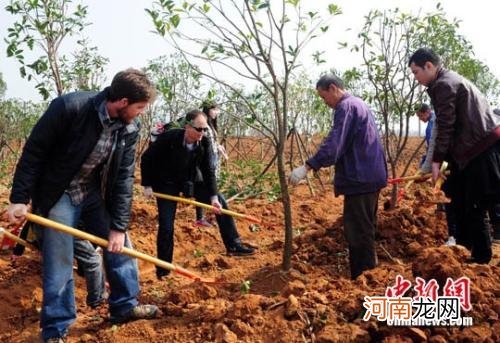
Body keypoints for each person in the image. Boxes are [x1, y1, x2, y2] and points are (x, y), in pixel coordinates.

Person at [6, 68, 159, 342]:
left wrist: (118, 227)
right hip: (58, 193)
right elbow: (34, 152)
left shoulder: (130, 128)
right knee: (60, 259)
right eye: (139, 107)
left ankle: (123, 306)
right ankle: (56, 328)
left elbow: (124, 178)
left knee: (121, 246)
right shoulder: (70, 108)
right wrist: (19, 198)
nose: (141, 113)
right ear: (122, 102)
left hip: (91, 193)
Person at [288, 74, 387, 280]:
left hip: (361, 179)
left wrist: (307, 166)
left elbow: (334, 145)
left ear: (333, 88)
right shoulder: (358, 103)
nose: (325, 103)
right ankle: (370, 275)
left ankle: (363, 281)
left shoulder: (346, 107)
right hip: (368, 176)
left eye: (324, 98)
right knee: (366, 228)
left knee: (358, 232)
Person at [409, 47, 500, 264]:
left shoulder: (443, 85)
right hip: (477, 147)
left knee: (477, 204)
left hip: (481, 148)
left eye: (416, 72)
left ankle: (481, 257)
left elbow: (446, 126)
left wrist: (437, 162)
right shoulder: (448, 81)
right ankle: (470, 249)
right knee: (467, 201)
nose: (416, 78)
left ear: (429, 66)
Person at [140, 109, 254, 280]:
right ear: (187, 127)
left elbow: (209, 170)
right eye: (198, 129)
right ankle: (164, 269)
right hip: (166, 182)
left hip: (190, 179)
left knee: (220, 201)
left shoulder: (205, 142)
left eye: (205, 129)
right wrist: (147, 184)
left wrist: (213, 198)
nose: (202, 133)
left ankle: (234, 245)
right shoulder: (169, 138)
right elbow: (147, 158)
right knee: (166, 225)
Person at [417, 104, 457, 247]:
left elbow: (433, 147)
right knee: (446, 193)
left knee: (448, 196)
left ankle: (454, 234)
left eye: (420, 116)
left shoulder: (436, 121)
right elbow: (431, 147)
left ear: (427, 112)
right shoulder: (434, 121)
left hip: (445, 164)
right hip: (444, 162)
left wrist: (427, 167)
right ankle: (442, 208)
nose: (420, 119)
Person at [194, 101, 228, 228]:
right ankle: (200, 218)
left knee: (210, 186)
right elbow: (204, 145)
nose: (216, 112)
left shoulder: (211, 126)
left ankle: (203, 216)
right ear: (208, 110)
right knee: (205, 187)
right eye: (215, 109)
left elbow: (213, 143)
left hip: (213, 159)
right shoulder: (204, 126)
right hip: (207, 161)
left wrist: (221, 149)